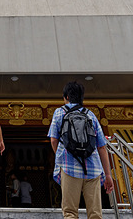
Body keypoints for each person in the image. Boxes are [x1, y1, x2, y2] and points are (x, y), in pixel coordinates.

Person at [48, 81, 114, 219]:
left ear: (66, 97)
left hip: (69, 167)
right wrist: (107, 175)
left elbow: (53, 140)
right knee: (95, 214)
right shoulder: (91, 115)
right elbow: (101, 146)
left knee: (70, 212)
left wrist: (60, 158)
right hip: (93, 169)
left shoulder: (60, 112)